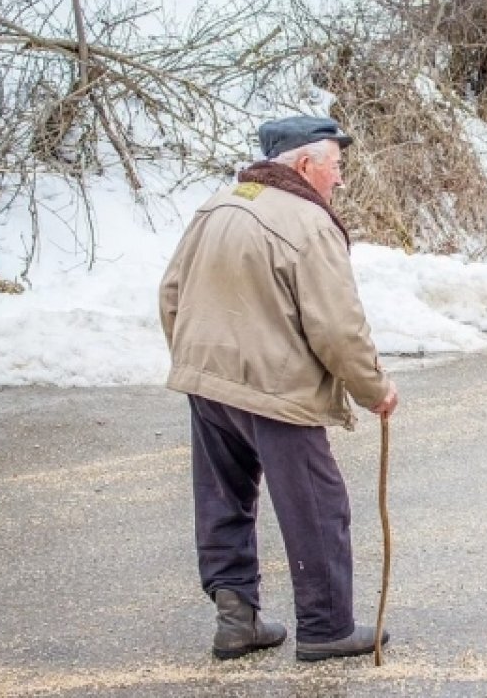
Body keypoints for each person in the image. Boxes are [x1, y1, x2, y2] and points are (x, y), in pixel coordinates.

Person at [158, 115, 399, 662]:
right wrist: (374, 389)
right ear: (306, 164)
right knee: (317, 506)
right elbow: (337, 328)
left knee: (224, 500)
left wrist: (196, 360)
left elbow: (171, 293)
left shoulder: (217, 205)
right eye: (336, 166)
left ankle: (236, 620)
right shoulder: (309, 223)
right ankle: (326, 627)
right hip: (276, 389)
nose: (340, 179)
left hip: (208, 381)